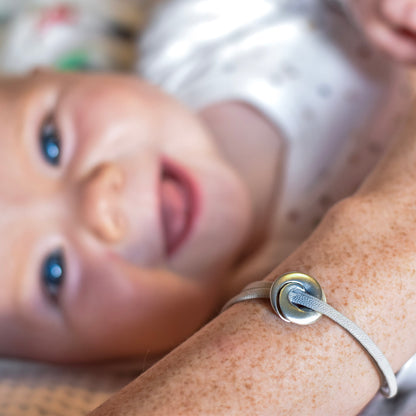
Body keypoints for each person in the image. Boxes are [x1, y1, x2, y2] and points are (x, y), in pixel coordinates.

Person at [0, 0, 412, 367]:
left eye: (50, 143)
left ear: (52, 73)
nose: (99, 204)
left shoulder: (198, 34)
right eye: (53, 274)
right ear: (89, 362)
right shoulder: (274, 353)